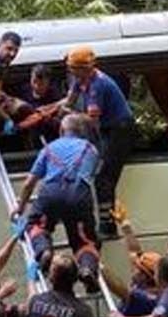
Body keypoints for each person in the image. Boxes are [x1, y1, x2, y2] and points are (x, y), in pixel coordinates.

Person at [12, 114, 103, 288]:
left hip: (50, 193)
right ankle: (87, 269)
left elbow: (29, 183)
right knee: (84, 240)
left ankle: (44, 250)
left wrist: (20, 207)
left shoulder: (49, 148)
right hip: (79, 194)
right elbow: (92, 175)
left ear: (61, 130)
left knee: (37, 225)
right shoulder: (91, 150)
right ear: (82, 132)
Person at [63, 46, 135, 226]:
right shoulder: (79, 79)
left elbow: (91, 121)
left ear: (85, 68)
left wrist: (70, 118)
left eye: (73, 68)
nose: (71, 72)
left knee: (104, 178)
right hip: (106, 128)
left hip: (120, 130)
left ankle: (107, 223)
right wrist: (47, 110)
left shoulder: (98, 85)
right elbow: (68, 101)